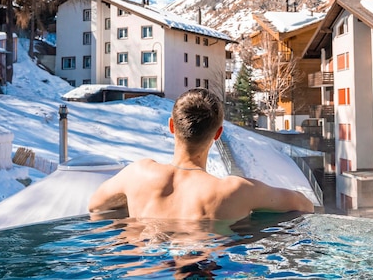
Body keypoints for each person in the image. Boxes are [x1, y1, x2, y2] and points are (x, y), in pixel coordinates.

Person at [88, 88, 314, 221]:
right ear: (218, 134)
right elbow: (304, 205)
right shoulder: (233, 191)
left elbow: (96, 205)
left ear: (171, 126)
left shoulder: (138, 174)